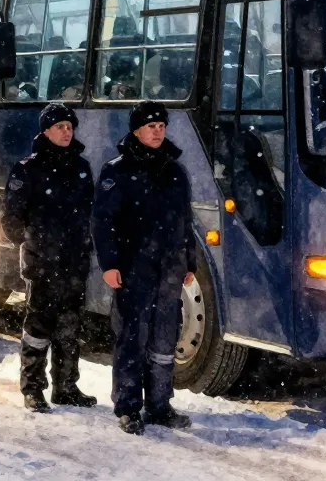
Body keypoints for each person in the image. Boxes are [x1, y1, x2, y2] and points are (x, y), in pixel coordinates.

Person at [91, 101, 197, 435]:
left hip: (170, 268)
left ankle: (159, 404)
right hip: (134, 267)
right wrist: (109, 264)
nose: (157, 132)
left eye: (162, 126)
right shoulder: (117, 171)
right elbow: (103, 221)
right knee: (131, 337)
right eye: (151, 126)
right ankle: (128, 407)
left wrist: (189, 261)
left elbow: (185, 220)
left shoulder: (175, 171)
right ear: (136, 131)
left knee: (165, 338)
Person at [1, 103, 97, 413]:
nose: (67, 132)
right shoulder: (27, 168)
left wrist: (84, 244)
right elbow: (11, 218)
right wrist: (35, 244)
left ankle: (66, 387)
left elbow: (91, 211)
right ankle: (32, 388)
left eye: (70, 127)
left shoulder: (81, 166)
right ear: (45, 131)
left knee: (70, 326)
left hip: (74, 261)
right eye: (60, 127)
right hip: (43, 264)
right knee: (39, 326)